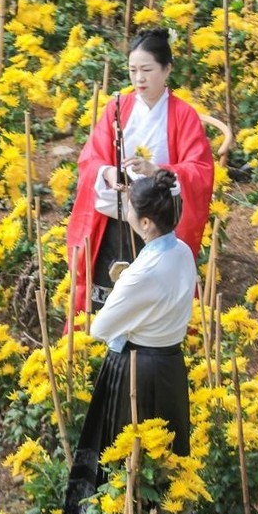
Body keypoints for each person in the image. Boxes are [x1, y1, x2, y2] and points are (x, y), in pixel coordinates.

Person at [55, 170, 195, 514]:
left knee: (123, 460)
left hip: (136, 369)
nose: (127, 212)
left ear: (145, 223)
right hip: (170, 367)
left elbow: (101, 327)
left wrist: (121, 288)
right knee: (164, 460)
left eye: (131, 208)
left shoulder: (142, 274)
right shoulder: (181, 252)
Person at [65, 27, 214, 315]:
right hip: (116, 216)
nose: (139, 78)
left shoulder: (183, 115)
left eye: (147, 69)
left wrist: (157, 170)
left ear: (167, 69)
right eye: (133, 70)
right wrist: (108, 173)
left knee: (153, 302)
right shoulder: (117, 107)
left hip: (157, 221)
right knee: (107, 296)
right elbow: (90, 158)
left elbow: (200, 170)